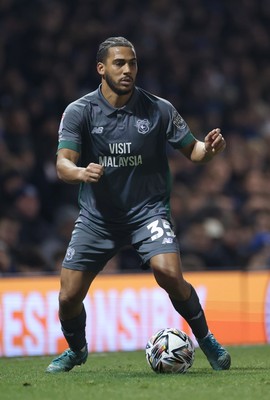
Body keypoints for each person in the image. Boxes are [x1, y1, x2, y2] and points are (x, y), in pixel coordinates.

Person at [46, 36, 231, 373]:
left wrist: (209, 150)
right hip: (97, 218)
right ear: (101, 68)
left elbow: (194, 151)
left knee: (169, 272)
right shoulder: (79, 111)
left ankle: (206, 340)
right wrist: (80, 171)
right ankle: (76, 349)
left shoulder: (159, 109)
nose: (128, 69)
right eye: (119, 63)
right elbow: (62, 164)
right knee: (68, 297)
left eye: (132, 63)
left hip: (148, 212)